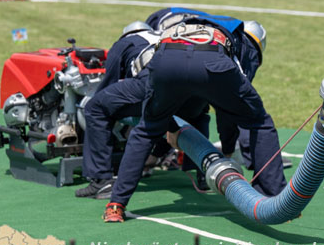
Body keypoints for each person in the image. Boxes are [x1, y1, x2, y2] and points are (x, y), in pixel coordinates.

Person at [103, 13, 286, 223]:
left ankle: (115, 205)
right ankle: (272, 196)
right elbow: (228, 109)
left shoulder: (201, 20)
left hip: (166, 59)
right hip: (211, 58)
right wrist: (227, 149)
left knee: (146, 131)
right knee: (260, 122)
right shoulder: (244, 42)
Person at [75, 21, 159, 199]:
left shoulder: (125, 42)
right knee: (192, 114)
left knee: (95, 108)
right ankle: (199, 175)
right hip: (186, 89)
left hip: (149, 83)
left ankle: (101, 179)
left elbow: (109, 83)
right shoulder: (161, 37)